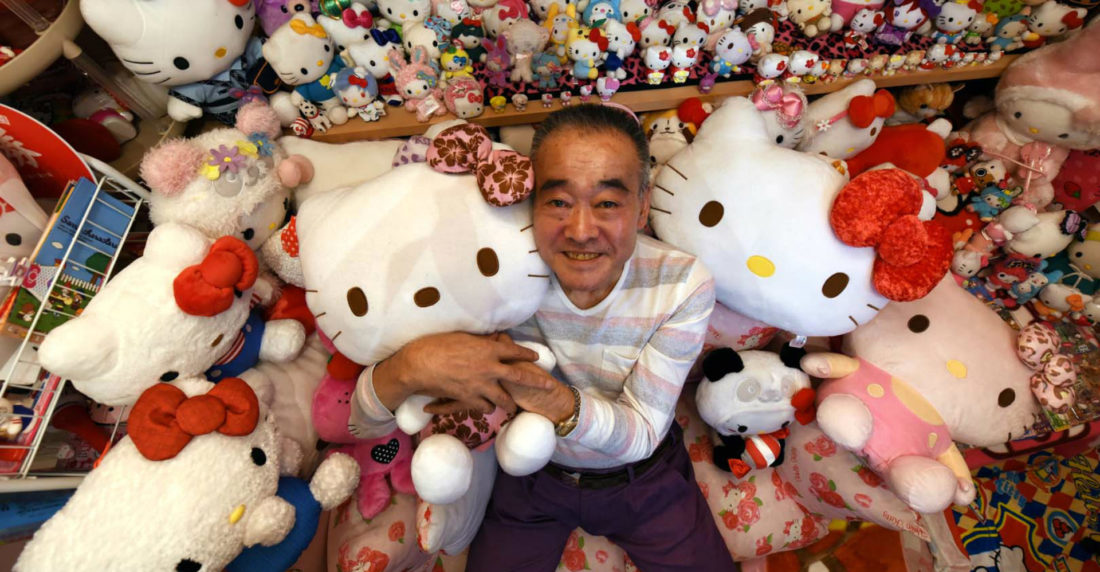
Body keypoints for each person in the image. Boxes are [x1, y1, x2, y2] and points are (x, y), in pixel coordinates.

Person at [351, 104, 736, 571]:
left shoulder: (681, 284)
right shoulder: (490, 272)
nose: (581, 231)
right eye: (558, 202)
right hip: (531, 477)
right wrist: (411, 366)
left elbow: (642, 434)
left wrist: (542, 395)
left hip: (646, 481)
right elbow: (360, 424)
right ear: (530, 200)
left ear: (642, 207)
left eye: (608, 203)